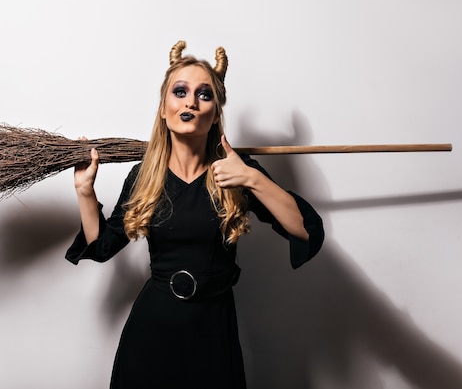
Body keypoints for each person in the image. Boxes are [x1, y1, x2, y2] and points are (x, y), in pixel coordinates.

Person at [66, 40, 325, 388]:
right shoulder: (145, 176)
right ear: (163, 108)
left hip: (212, 332)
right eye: (180, 91)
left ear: (216, 113)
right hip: (151, 332)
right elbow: (101, 246)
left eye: (204, 95)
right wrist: (85, 192)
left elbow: (305, 230)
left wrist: (252, 178)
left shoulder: (236, 171)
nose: (190, 101)